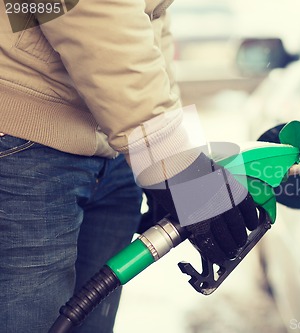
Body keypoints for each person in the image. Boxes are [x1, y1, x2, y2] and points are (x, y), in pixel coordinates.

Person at [0, 1, 259, 332]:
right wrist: (170, 159)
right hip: (27, 144)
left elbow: (152, 19)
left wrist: (165, 157)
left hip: (114, 150)